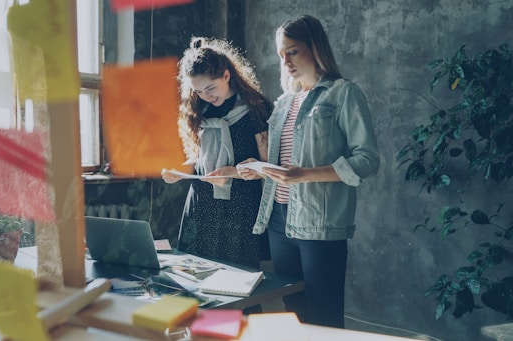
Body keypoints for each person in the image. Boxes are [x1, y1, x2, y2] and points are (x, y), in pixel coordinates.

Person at [238, 15, 380, 328]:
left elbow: (367, 160)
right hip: (278, 221)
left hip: (320, 223)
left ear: (314, 48)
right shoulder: (284, 102)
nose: (285, 61)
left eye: (293, 51)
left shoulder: (343, 94)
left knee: (323, 317)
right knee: (295, 314)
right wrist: (260, 168)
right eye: (281, 54)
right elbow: (284, 164)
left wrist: (303, 175)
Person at [162, 37, 273, 269]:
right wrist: (179, 172)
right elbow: (199, 159)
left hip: (240, 205)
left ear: (226, 75)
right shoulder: (197, 110)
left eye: (210, 88)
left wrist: (232, 171)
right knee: (198, 280)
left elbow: (269, 167)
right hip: (202, 203)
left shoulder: (255, 108)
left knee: (241, 283)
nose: (206, 96)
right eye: (198, 91)